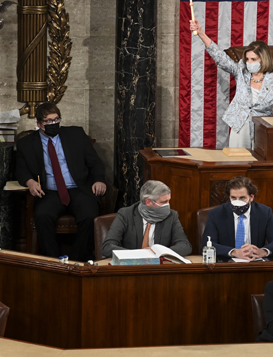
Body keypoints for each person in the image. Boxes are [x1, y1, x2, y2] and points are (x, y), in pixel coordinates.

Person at [15, 102, 106, 261]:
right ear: (39, 124)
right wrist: (30, 182)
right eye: (48, 121)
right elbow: (20, 170)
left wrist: (99, 180)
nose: (53, 124)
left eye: (56, 119)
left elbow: (95, 163)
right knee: (42, 216)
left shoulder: (76, 134)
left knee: (89, 215)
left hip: (79, 188)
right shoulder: (27, 143)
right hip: (49, 192)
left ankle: (77, 261)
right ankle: (54, 261)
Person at [189, 19, 273, 150]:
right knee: (238, 163)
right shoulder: (241, 72)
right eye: (247, 59)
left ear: (263, 60)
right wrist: (201, 33)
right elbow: (221, 58)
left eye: (253, 59)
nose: (249, 62)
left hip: (263, 130)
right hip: (240, 126)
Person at [202, 176, 273, 261]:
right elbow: (207, 244)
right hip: (226, 264)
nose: (237, 202)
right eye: (233, 198)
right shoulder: (217, 213)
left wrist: (262, 251)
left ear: (251, 197)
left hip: (254, 263)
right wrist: (234, 252)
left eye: (242, 198)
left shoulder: (264, 212)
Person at [101, 180, 192, 258]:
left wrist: (159, 252)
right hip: (131, 268)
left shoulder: (171, 216)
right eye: (164, 202)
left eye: (168, 200)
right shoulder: (126, 214)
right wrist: (140, 254)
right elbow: (107, 246)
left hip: (159, 269)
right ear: (148, 201)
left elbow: (185, 245)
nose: (168, 205)